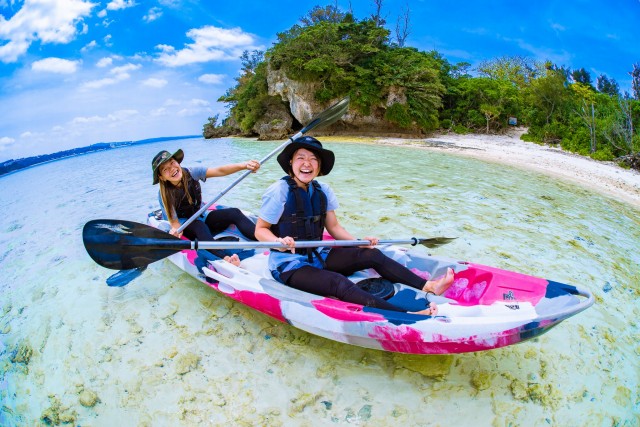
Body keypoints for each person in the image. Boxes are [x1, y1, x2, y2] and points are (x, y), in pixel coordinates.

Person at [254, 136, 454, 315]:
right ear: (291, 162)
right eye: (301, 158)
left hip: (318, 254)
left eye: (313, 159)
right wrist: (278, 241)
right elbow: (260, 230)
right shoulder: (279, 191)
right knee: (338, 282)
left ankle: (428, 286)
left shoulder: (322, 189)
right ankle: (405, 314)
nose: (307, 163)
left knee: (372, 254)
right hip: (289, 264)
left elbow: (334, 227)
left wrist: (358, 243)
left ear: (319, 165)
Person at [152, 148, 260, 266]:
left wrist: (244, 165)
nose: (172, 169)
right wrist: (176, 232)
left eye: (172, 163)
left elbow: (219, 170)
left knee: (234, 212)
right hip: (186, 224)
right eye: (165, 169)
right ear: (161, 177)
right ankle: (225, 258)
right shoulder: (164, 195)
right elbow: (175, 224)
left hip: (202, 215)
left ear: (178, 162)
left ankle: (263, 238)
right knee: (199, 226)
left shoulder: (192, 173)